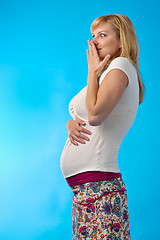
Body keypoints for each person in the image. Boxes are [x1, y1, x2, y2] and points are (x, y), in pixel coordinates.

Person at [60, 13, 145, 239]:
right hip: (84, 192)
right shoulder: (105, 74)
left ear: (121, 41)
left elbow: (95, 114)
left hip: (100, 191)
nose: (93, 41)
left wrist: (92, 71)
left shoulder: (121, 65)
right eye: (93, 35)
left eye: (102, 35)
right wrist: (70, 124)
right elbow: (85, 114)